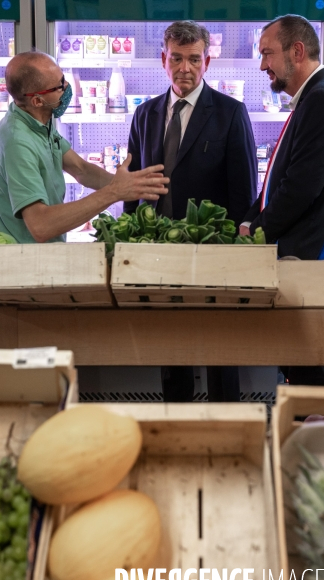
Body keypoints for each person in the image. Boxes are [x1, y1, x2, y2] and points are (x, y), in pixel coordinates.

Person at [125, 20, 258, 403]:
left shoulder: (231, 113)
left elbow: (244, 193)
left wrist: (235, 250)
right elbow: (132, 186)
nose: (186, 68)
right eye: (177, 58)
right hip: (159, 250)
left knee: (219, 349)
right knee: (172, 347)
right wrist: (127, 237)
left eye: (194, 59)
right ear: (163, 59)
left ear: (207, 62)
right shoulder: (145, 115)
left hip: (214, 252)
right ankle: (175, 422)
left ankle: (227, 426)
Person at [240, 14, 324, 387]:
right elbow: (283, 182)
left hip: (310, 263)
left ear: (298, 51)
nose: (262, 65)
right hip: (300, 260)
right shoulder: (314, 97)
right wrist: (248, 220)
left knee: (310, 376)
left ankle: (317, 441)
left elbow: (301, 189)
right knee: (300, 369)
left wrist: (254, 233)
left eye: (267, 54)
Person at [0, 51, 170, 243]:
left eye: (63, 79)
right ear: (37, 100)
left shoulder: (37, 118)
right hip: (22, 259)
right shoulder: (18, 142)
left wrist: (130, 185)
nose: (67, 88)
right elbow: (41, 226)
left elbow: (80, 169)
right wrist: (113, 192)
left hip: (45, 253)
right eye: (59, 86)